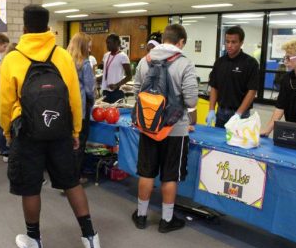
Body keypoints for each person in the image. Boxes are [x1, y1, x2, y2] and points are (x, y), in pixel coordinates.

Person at [0, 5, 101, 248]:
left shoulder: (12, 58)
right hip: (60, 131)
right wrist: (76, 130)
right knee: (71, 183)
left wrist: (8, 134)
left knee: (31, 187)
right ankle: (91, 240)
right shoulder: (62, 56)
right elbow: (75, 99)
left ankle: (34, 240)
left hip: (27, 133)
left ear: (24, 28)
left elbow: (4, 103)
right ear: (48, 28)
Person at [132, 24, 198, 233]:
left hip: (148, 127)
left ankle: (141, 216)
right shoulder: (184, 64)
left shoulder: (145, 60)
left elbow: (136, 92)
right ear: (181, 43)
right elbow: (191, 99)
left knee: (146, 171)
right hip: (175, 130)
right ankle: (166, 220)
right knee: (170, 175)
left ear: (164, 39)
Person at [206, 26, 259, 128]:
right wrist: (211, 109)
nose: (229, 45)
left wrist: (239, 114)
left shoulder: (250, 63)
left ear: (241, 43)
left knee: (237, 143)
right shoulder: (220, 62)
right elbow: (214, 87)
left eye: (234, 42)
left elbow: (252, 91)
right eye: (227, 41)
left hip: (240, 114)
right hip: (221, 112)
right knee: (218, 142)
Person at [67, 32, 95, 183]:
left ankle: (64, 177)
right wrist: (94, 101)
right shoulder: (84, 63)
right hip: (80, 110)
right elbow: (90, 90)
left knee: (67, 144)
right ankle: (74, 178)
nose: (90, 50)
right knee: (79, 143)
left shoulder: (65, 61)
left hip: (65, 108)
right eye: (89, 47)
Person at [99, 33, 131, 103]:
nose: (107, 45)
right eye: (106, 43)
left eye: (109, 43)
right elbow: (106, 72)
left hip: (117, 91)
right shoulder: (106, 55)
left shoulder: (123, 56)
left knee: (116, 113)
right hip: (105, 90)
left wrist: (116, 85)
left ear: (116, 43)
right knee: (106, 113)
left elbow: (129, 76)